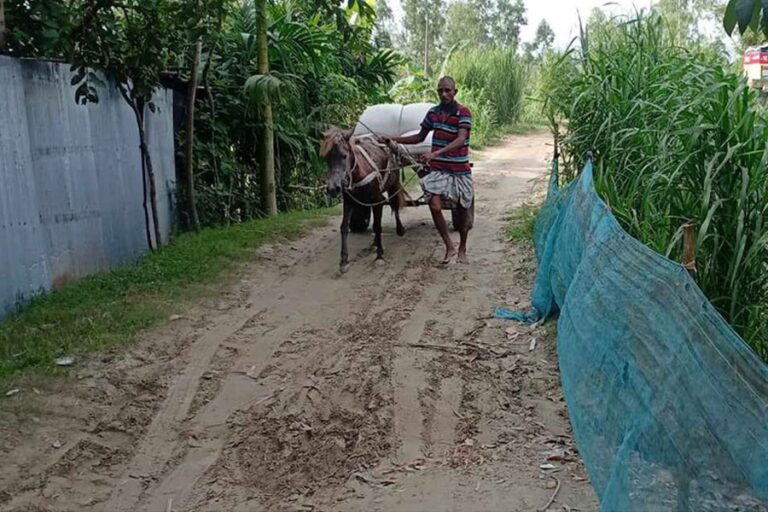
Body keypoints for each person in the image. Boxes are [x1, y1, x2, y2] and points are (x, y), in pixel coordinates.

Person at [381, 76, 474, 265]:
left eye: (447, 90)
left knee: (463, 213)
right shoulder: (433, 113)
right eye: (440, 91)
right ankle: (449, 246)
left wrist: (435, 153)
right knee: (434, 206)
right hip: (439, 169)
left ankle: (463, 246)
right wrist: (392, 139)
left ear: (455, 92)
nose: (444, 94)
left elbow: (460, 139)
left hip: (459, 169)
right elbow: (418, 137)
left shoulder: (463, 112)